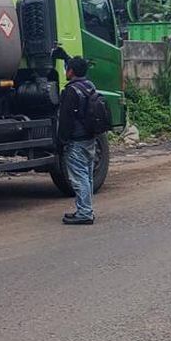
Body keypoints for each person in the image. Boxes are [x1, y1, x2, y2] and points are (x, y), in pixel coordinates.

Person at [58, 56, 98, 225]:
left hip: (76, 139)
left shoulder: (71, 91)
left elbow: (66, 119)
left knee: (79, 177)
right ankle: (87, 209)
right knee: (87, 176)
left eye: (67, 68)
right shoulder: (90, 86)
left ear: (71, 71)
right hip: (90, 138)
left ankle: (84, 213)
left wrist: (61, 140)